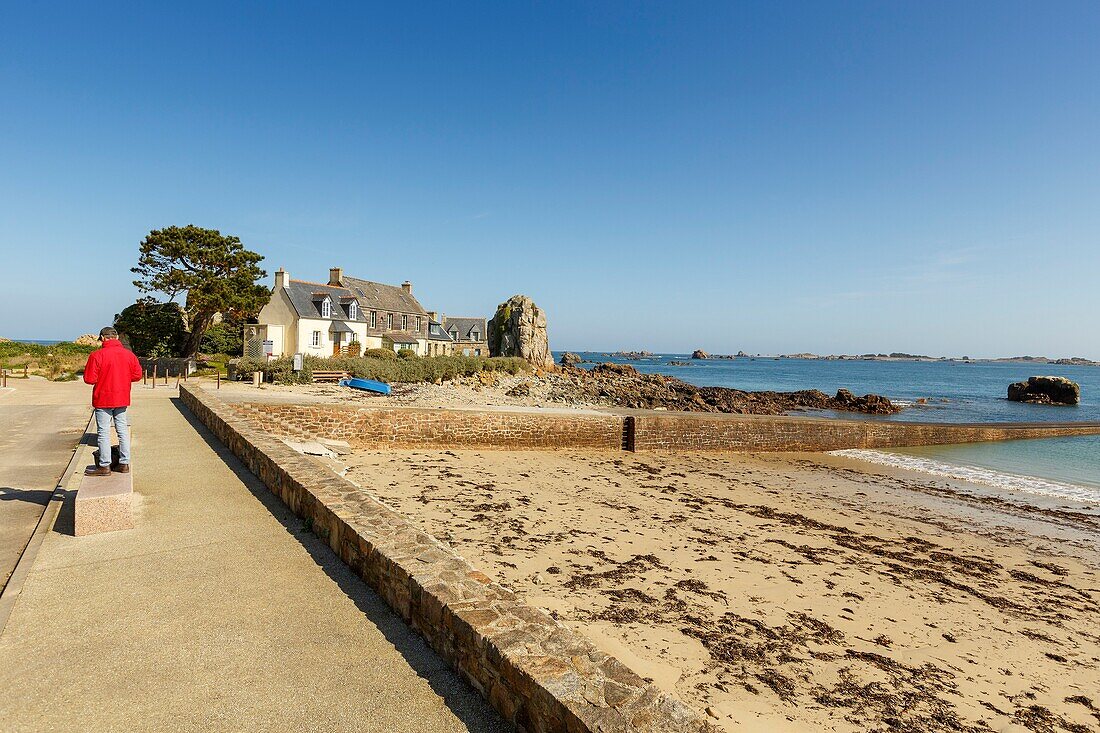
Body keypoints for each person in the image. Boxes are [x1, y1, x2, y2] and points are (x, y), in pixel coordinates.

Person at [82, 327, 143, 476]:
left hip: (103, 399)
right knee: (121, 431)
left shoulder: (96, 355)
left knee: (103, 432)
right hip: (121, 398)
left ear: (103, 338)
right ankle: (124, 463)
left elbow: (89, 379)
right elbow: (137, 375)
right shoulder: (129, 355)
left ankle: (104, 465)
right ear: (116, 337)